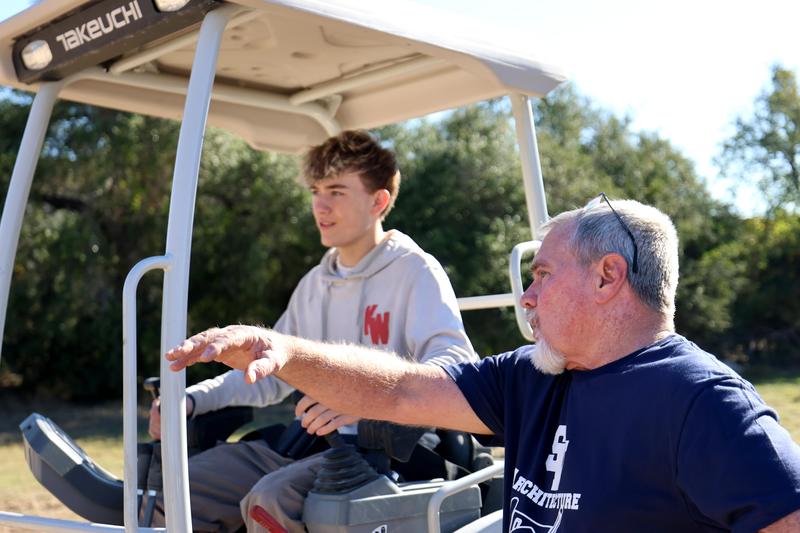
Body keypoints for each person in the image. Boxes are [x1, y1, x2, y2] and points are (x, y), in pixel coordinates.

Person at [167, 196, 800, 532]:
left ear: (609, 277)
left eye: (543, 275)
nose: (527, 296)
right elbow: (403, 393)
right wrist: (287, 352)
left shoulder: (705, 404)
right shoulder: (530, 374)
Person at [150, 130, 476, 532]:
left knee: (271, 501)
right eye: (316, 190)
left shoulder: (415, 270)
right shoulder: (314, 283)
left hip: (387, 451)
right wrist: (189, 400)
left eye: (337, 191)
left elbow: (458, 364)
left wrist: (373, 397)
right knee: (180, 490)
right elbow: (266, 375)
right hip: (311, 442)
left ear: (379, 201)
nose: (320, 205)